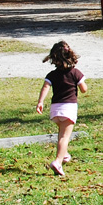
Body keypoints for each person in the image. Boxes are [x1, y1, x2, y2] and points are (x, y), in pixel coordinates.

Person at [36, 40, 87, 176]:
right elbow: (84, 89)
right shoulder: (75, 72)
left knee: (61, 134)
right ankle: (58, 161)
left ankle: (64, 155)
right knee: (65, 137)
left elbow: (45, 87)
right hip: (68, 108)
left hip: (55, 109)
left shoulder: (51, 75)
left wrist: (40, 102)